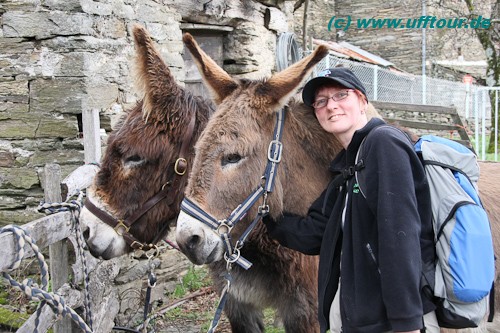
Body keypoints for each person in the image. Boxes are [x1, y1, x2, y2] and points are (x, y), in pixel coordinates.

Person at [264, 67, 439, 333]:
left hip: (392, 321)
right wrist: (265, 215)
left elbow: (400, 237)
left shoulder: (384, 143)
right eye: (321, 102)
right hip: (362, 315)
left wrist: (407, 322)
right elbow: (315, 234)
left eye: (341, 95)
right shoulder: (348, 168)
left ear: (362, 101)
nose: (331, 106)